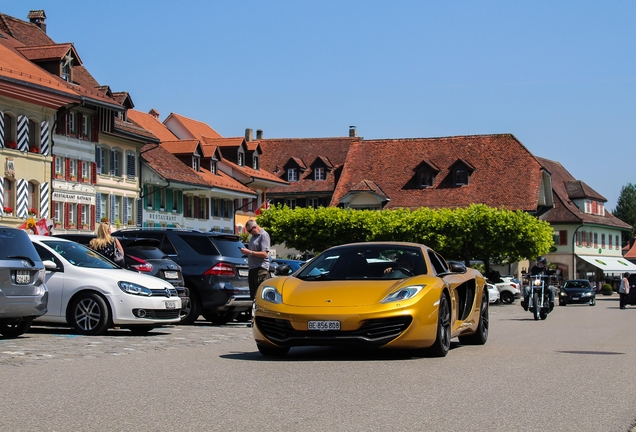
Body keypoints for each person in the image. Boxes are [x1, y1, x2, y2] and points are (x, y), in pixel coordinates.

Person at [239, 220, 271, 300]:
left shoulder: (263, 235)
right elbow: (253, 251)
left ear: (255, 227)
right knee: (253, 296)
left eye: (250, 231)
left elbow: (264, 254)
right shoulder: (253, 237)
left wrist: (249, 252)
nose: (250, 233)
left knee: (260, 296)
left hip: (260, 269)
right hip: (252, 268)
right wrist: (246, 252)